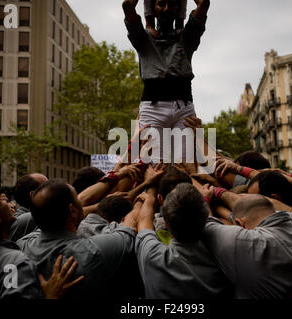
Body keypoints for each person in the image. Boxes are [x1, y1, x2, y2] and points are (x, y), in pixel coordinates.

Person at [200, 189, 292, 299]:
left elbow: (204, 223)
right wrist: (219, 192)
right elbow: (260, 207)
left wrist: (205, 198)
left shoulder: (244, 243)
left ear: (240, 224)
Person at [16, 179, 137, 299]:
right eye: (78, 199)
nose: (81, 202)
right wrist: (145, 197)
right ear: (72, 210)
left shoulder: (21, 246)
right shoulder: (94, 251)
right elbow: (130, 225)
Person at [122, 0, 210, 163]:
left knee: (186, 166)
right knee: (154, 167)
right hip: (152, 109)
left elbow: (203, 3)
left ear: (179, 9)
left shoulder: (187, 37)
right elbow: (127, 5)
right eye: (161, 4)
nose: (167, 9)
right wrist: (148, 22)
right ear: (152, 8)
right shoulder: (142, 38)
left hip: (184, 108)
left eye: (172, 4)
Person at [135, 183, 233, 298]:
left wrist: (150, 199)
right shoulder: (226, 249)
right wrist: (205, 198)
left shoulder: (153, 255)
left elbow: (143, 221)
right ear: (205, 217)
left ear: (165, 222)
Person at [9, 173, 48, 242]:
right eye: (48, 188)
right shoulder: (34, 219)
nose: (54, 191)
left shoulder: (18, 218)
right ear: (33, 195)